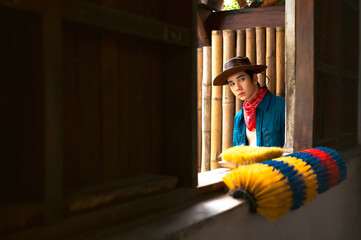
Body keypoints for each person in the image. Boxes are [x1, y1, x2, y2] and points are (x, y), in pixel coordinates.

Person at [213, 56, 285, 147]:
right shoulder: (239, 118)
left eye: (241, 79)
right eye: (232, 84)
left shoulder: (281, 107)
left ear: (254, 79)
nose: (237, 88)